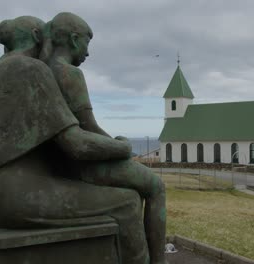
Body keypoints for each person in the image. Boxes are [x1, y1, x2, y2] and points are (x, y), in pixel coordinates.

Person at [0, 16, 151, 264]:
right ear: (37, 35)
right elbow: (76, 143)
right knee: (127, 203)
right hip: (16, 198)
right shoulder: (31, 69)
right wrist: (124, 146)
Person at [40, 13, 167, 264]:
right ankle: (159, 261)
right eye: (87, 43)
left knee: (136, 190)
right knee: (156, 187)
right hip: (81, 163)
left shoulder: (43, 71)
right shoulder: (68, 73)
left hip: (60, 161)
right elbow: (89, 128)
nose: (88, 52)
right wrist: (122, 146)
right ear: (75, 40)